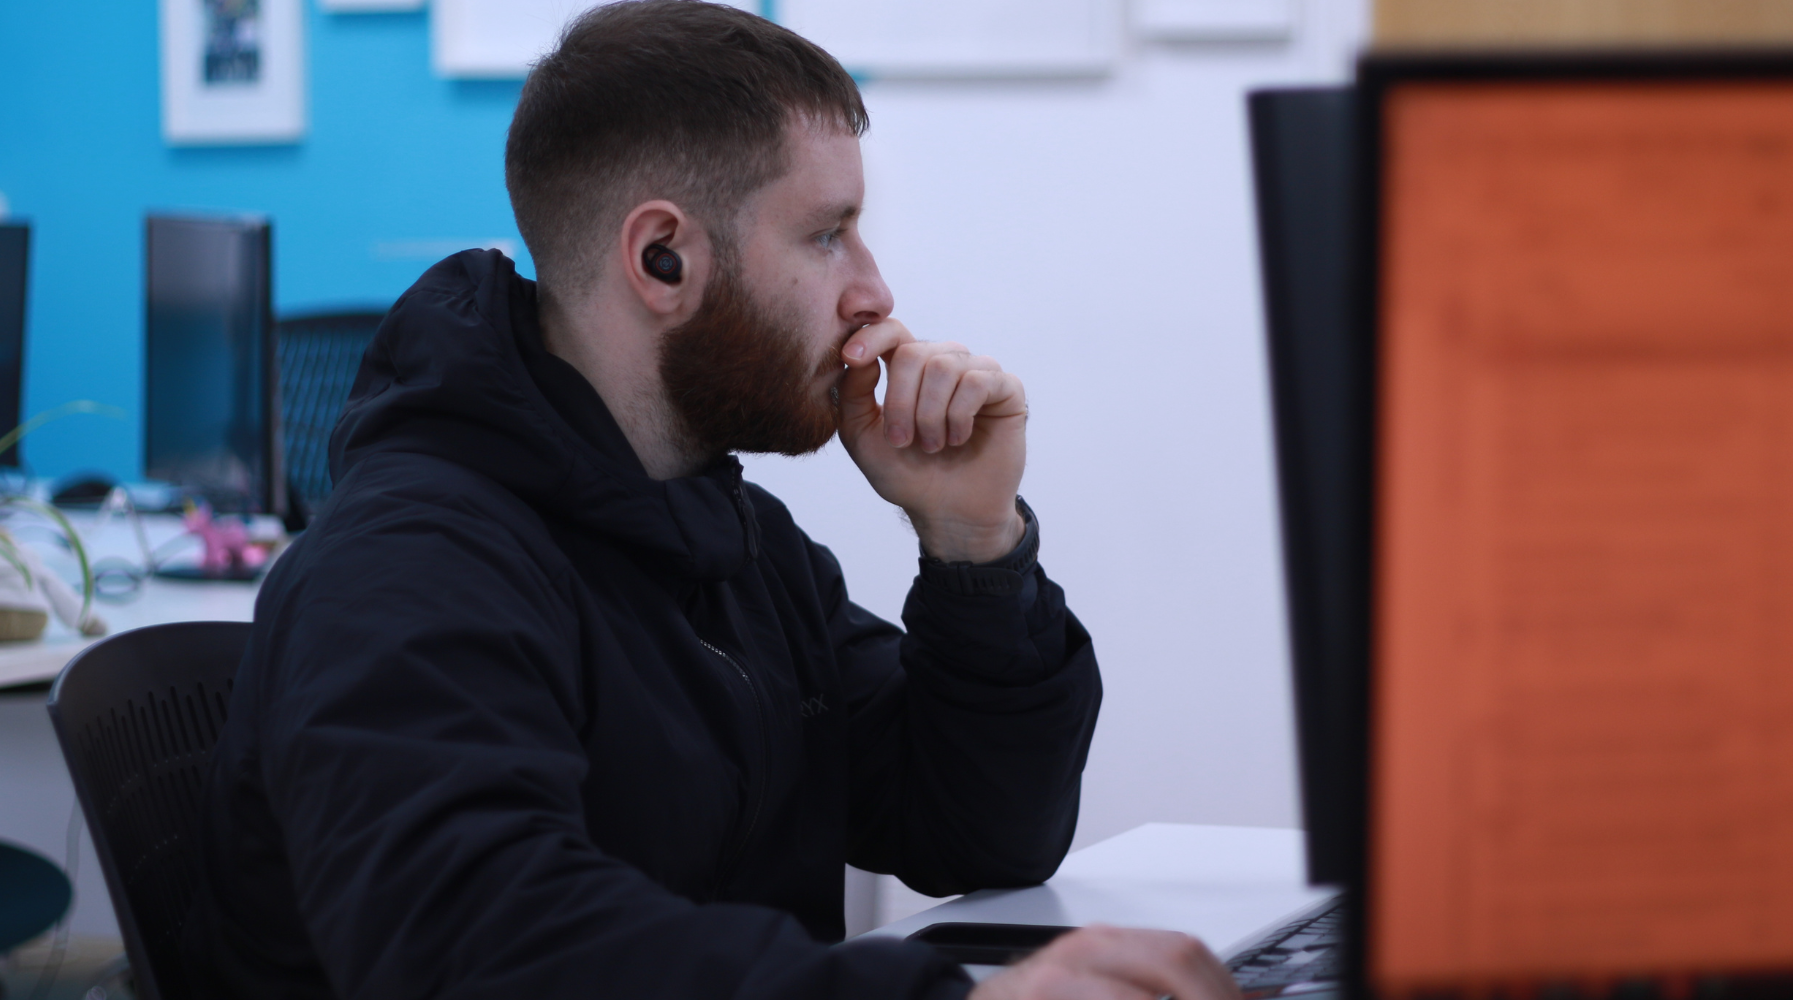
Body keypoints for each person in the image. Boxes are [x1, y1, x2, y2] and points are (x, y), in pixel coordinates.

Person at [184, 3, 1241, 999]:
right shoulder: (405, 571)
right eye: (827, 234)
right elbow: (491, 946)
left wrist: (970, 544)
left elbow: (977, 831)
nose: (871, 289)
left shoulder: (730, 542)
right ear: (663, 258)